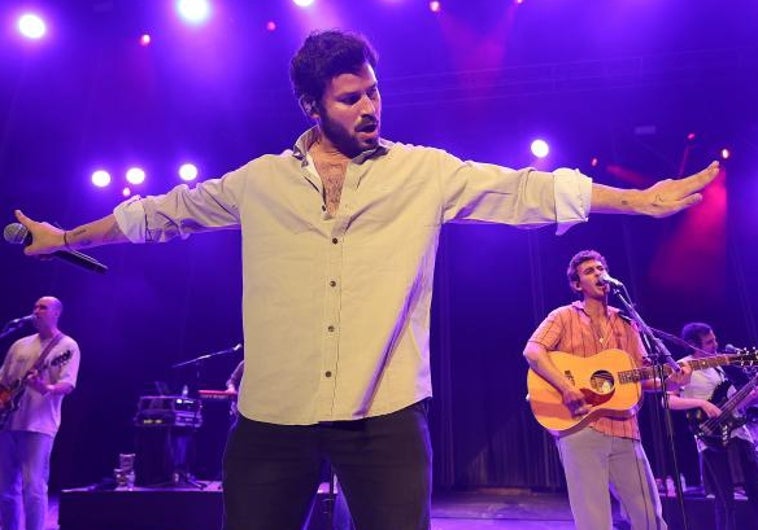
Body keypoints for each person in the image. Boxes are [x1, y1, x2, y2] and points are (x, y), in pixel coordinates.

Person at [13, 29, 717, 530]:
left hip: (384, 416)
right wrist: (64, 238)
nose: (370, 107)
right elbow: (159, 215)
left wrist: (640, 199)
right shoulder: (258, 182)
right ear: (313, 107)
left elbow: (527, 191)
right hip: (273, 417)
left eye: (375, 92)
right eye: (350, 98)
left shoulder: (423, 172)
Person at [523, 250, 691, 530]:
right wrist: (566, 388)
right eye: (589, 271)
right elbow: (533, 351)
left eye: (601, 268)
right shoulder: (563, 316)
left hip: (626, 430)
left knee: (650, 518)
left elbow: (642, 376)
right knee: (594, 522)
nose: (599, 273)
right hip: (580, 427)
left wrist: (674, 381)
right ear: (577, 285)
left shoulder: (628, 323)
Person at [666, 322, 758, 530]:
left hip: (738, 434)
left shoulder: (717, 364)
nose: (715, 344)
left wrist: (751, 397)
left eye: (714, 339)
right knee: (725, 501)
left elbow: (730, 406)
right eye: (709, 342)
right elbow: (668, 400)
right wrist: (701, 403)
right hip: (711, 438)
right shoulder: (683, 366)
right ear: (692, 344)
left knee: (755, 489)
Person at [0, 296, 80, 530]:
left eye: (43, 307)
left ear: (56, 313)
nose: (36, 310)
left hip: (39, 425)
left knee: (33, 487)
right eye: (35, 306)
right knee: (5, 489)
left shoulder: (66, 346)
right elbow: (4, 379)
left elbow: (68, 384)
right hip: (8, 423)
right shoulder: (20, 344)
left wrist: (46, 387)